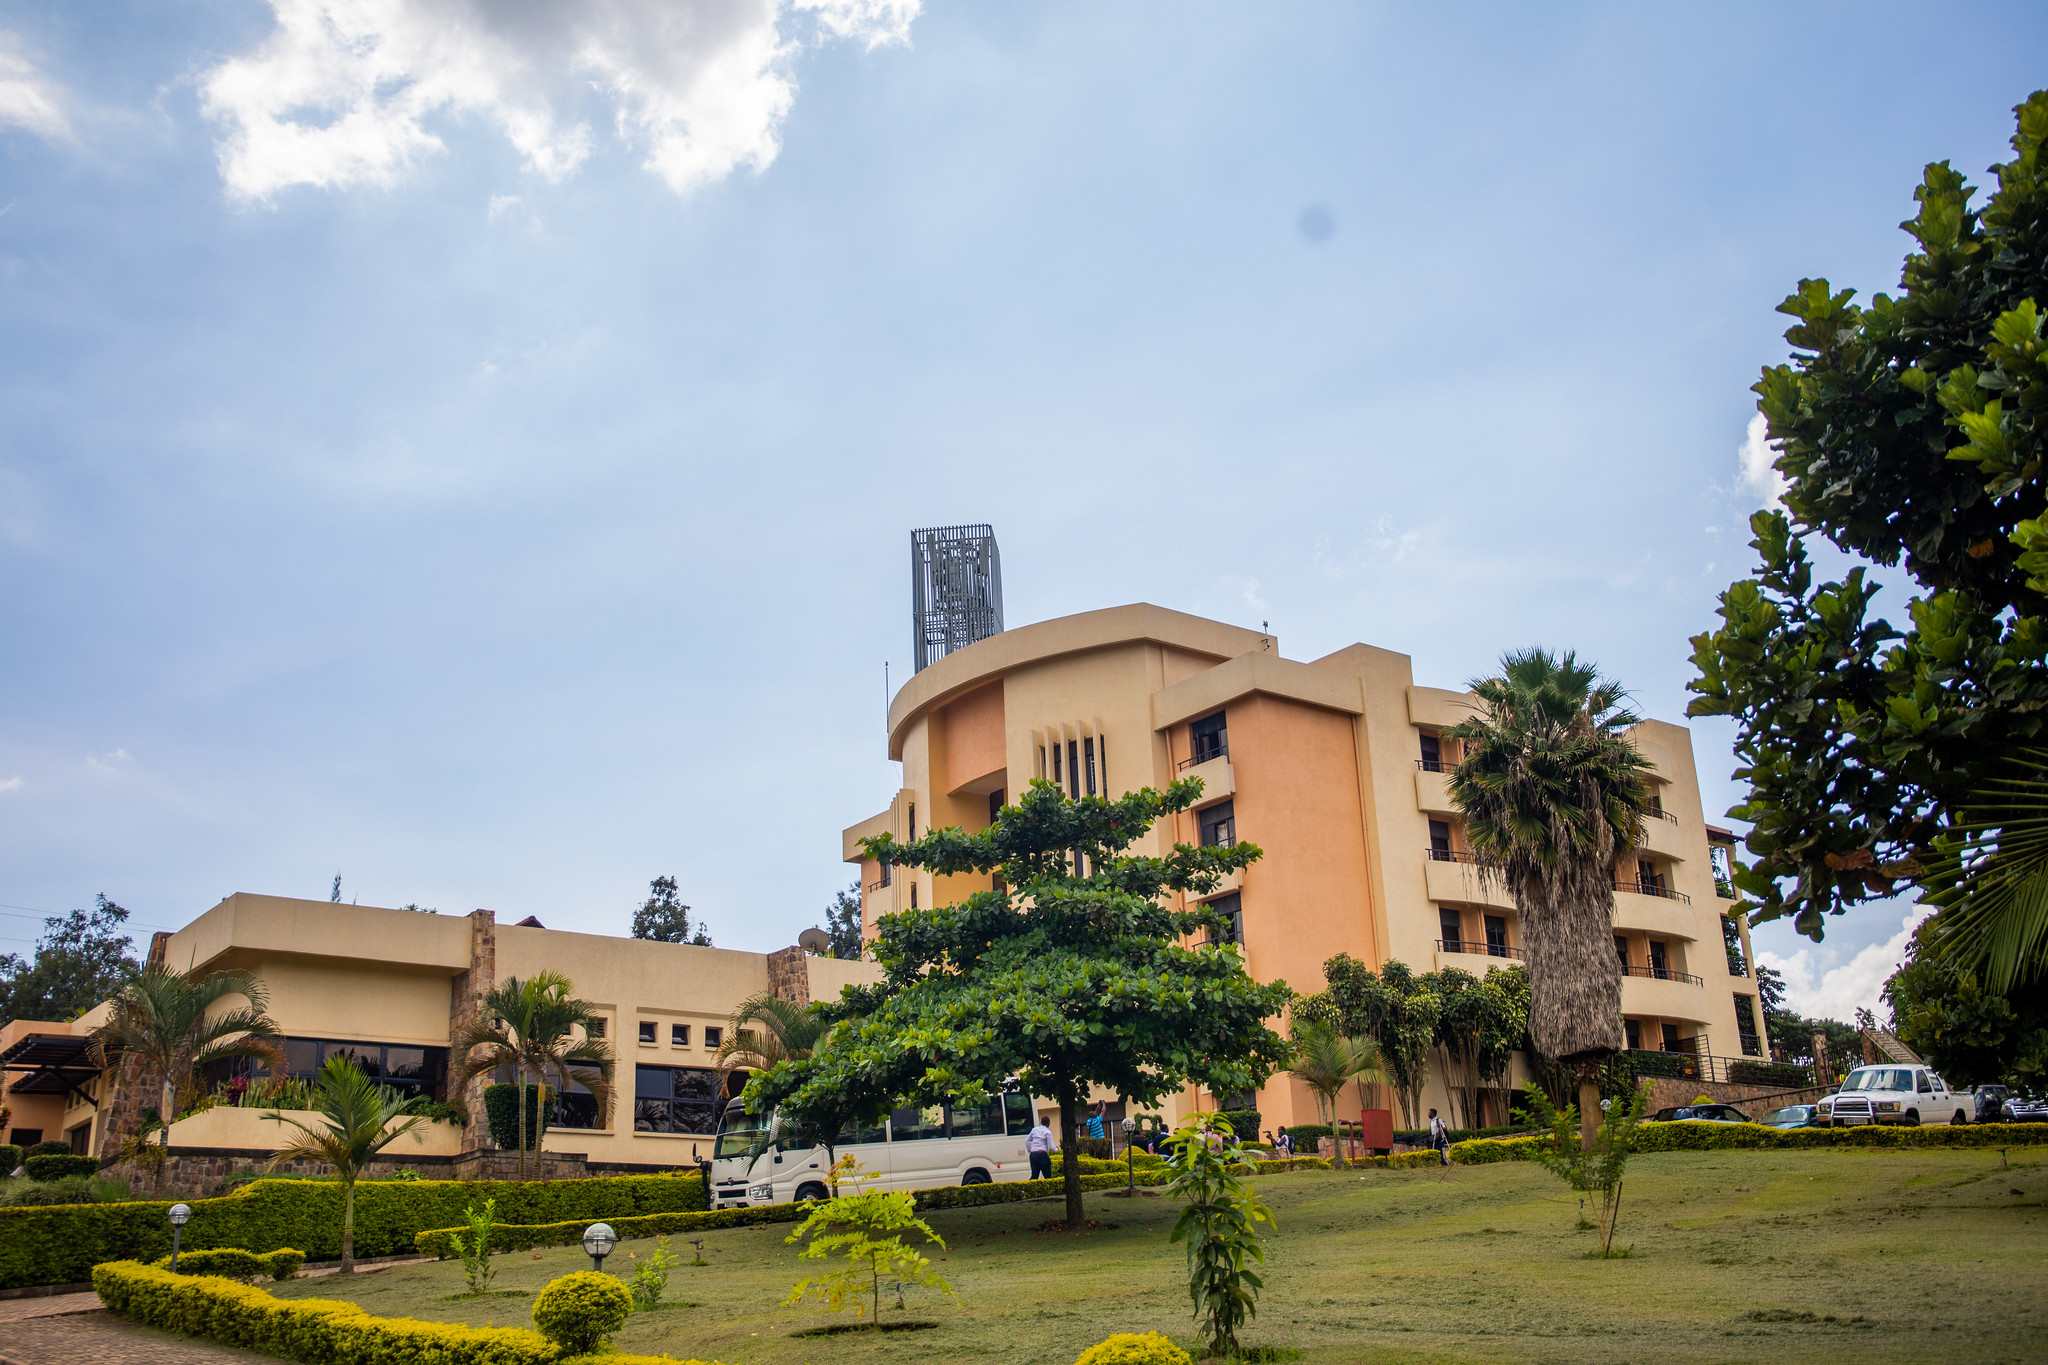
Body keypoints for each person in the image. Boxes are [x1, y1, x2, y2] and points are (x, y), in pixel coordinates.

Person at [1026, 1115, 1056, 1180]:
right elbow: (1051, 1146)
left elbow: (1027, 1141)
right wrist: (1057, 1150)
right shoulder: (1047, 1132)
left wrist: (1030, 1150)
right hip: (1042, 1154)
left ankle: (1027, 1189)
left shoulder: (1034, 1130)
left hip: (1033, 1154)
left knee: (1034, 1176)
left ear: (1041, 1122)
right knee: (1048, 1177)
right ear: (1048, 1123)